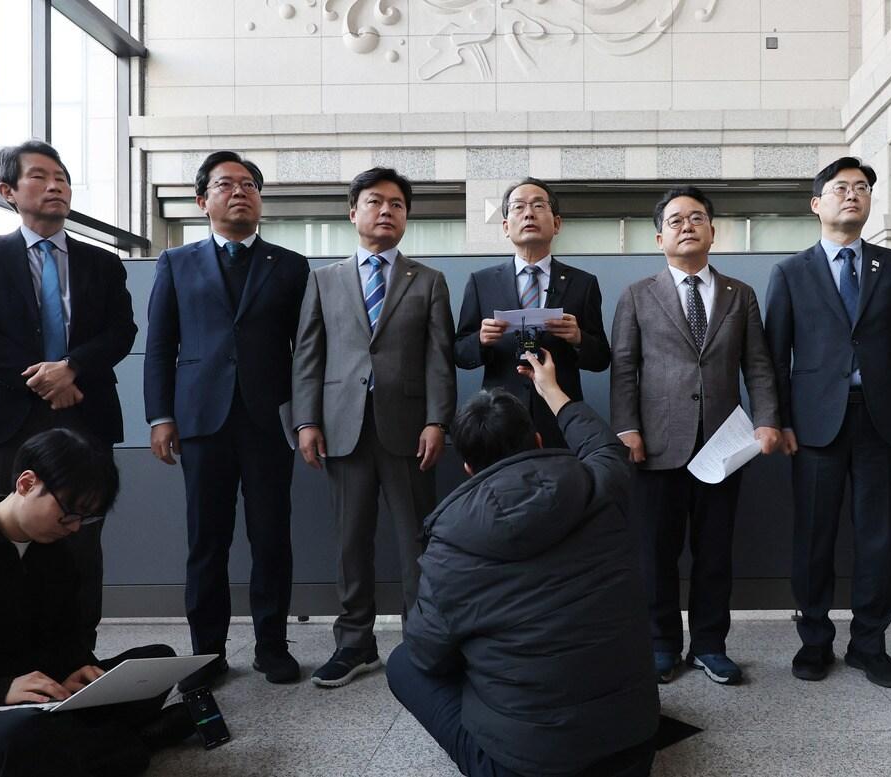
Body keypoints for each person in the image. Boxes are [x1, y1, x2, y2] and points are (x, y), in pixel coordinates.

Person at [388, 350, 659, 777]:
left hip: (523, 767)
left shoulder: (448, 543)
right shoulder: (601, 485)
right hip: (634, 750)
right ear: (536, 441)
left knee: (404, 662)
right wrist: (550, 388)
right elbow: (602, 442)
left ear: (467, 467)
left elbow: (428, 655)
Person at [0, 429, 196, 777]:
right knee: (23, 733)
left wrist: (76, 668)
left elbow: (60, 636)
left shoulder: (54, 554)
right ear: (27, 483)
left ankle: (101, 747)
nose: (75, 528)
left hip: (34, 703)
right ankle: (127, 744)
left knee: (155, 662)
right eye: (69, 514)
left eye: (85, 518)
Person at [0, 140, 137, 652]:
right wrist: (42, 377)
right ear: (7, 191)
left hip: (84, 413)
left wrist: (71, 368)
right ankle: (1, 656)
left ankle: (77, 654)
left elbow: (121, 331)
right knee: (0, 536)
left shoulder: (102, 261)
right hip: (1, 416)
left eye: (63, 177)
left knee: (81, 543)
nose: (56, 186)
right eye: (40, 176)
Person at [143, 151, 310, 689]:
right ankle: (206, 654)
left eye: (249, 185)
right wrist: (160, 416)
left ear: (260, 200)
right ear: (202, 201)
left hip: (268, 420)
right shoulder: (176, 262)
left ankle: (271, 646)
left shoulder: (289, 265)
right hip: (200, 419)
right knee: (206, 541)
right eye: (225, 185)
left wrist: (306, 416)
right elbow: (160, 345)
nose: (239, 192)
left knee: (271, 537)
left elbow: (305, 350)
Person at [764, 157, 891, 686]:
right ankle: (814, 640)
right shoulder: (790, 272)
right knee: (813, 536)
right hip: (813, 425)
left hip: (882, 419)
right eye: (840, 188)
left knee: (877, 537)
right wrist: (780, 420)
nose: (852, 196)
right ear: (817, 204)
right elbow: (773, 355)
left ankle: (869, 644)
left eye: (861, 188)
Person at [291, 166, 457, 688]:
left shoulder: (428, 280)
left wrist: (437, 420)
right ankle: (354, 643)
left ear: (407, 217)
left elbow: (439, 359)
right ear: (353, 212)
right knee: (350, 541)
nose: (386, 211)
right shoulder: (324, 279)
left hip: (409, 429)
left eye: (397, 204)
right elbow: (308, 358)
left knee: (417, 542)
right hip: (342, 429)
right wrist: (306, 421)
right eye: (374, 202)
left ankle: (422, 642)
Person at [610, 186, 780, 686]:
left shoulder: (739, 294)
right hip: (657, 444)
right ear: (659, 235)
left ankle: (710, 645)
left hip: (724, 445)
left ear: (713, 231)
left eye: (698, 218)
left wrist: (768, 418)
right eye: (677, 220)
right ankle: (661, 643)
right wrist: (627, 428)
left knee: (715, 552)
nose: (688, 226)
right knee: (655, 553)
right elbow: (624, 368)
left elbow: (759, 367)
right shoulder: (638, 294)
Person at [454, 177, 611, 447]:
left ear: (557, 223)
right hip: (499, 418)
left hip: (559, 415)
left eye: (539, 205)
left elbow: (601, 359)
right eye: (518, 207)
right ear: (506, 226)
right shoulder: (482, 282)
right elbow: (459, 352)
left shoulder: (583, 283)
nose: (528, 213)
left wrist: (578, 339)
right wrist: (480, 340)